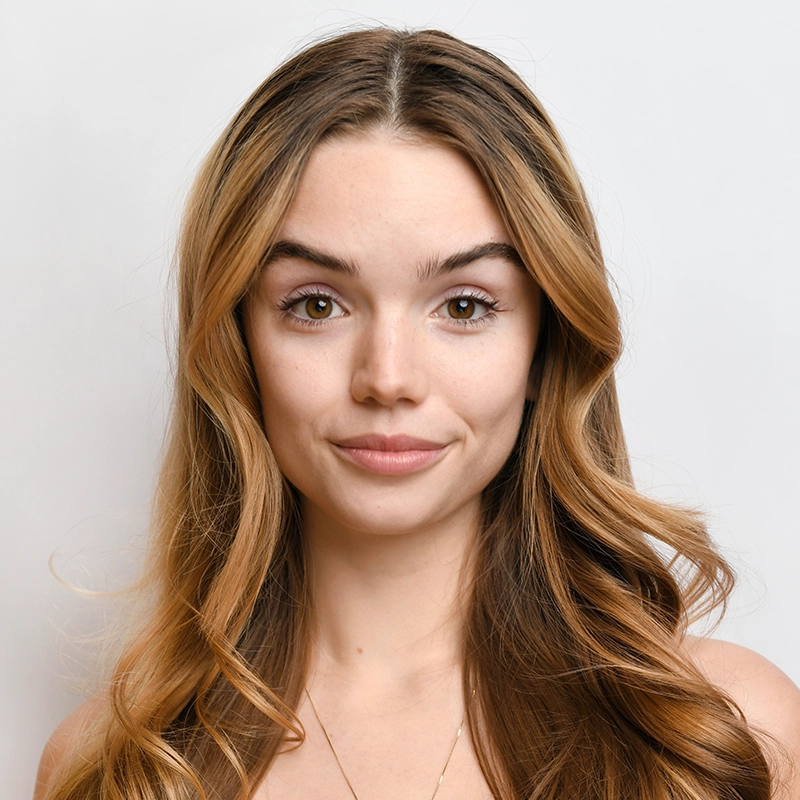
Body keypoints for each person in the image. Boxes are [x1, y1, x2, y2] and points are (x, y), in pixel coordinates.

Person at [34, 27, 800, 800]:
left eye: (465, 306)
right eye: (316, 304)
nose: (388, 378)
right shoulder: (114, 768)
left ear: (544, 346)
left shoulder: (723, 735)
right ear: (238, 344)